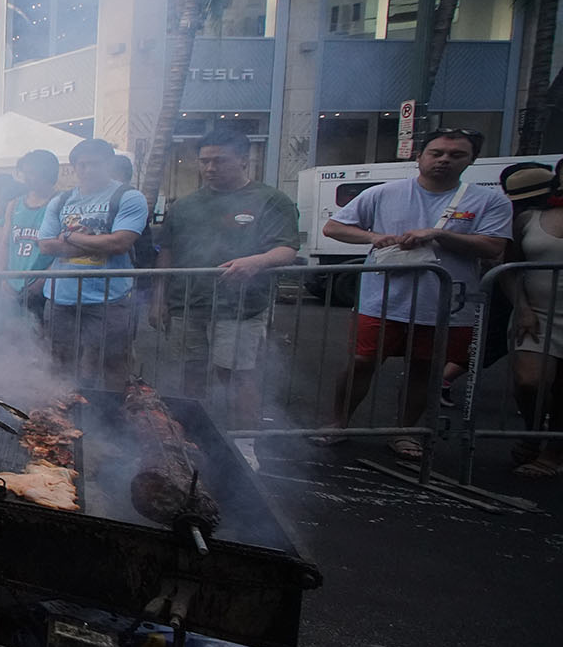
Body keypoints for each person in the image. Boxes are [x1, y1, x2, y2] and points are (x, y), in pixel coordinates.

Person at [318, 128, 512, 454]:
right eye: (436, 153)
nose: (444, 160)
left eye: (456, 155)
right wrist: (372, 237)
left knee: (425, 368)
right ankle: (337, 423)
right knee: (362, 361)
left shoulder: (489, 200)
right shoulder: (383, 193)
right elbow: (334, 227)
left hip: (445, 304)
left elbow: (493, 247)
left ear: (471, 160)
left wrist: (438, 234)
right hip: (381, 299)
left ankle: (404, 431)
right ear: (420, 156)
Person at [151, 127, 301, 427]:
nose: (210, 168)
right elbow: (166, 253)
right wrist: (158, 299)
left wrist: (256, 261)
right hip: (187, 306)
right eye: (204, 161)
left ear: (244, 160)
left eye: (219, 160)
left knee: (237, 376)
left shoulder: (271, 200)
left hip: (241, 308)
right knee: (190, 374)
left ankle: (245, 442)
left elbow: (287, 249)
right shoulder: (183, 206)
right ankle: (192, 435)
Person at [37, 138, 149, 387]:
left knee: (112, 366)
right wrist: (97, 241)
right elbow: (45, 245)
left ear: (109, 164)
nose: (88, 170)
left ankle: (112, 410)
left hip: (109, 300)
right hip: (61, 298)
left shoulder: (128, 197)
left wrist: (69, 237)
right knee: (60, 365)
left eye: (95, 164)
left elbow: (119, 243)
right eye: (82, 165)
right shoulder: (61, 201)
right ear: (75, 167)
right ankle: (67, 409)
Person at [500, 162, 563, 477]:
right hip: (537, 314)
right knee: (529, 382)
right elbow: (506, 269)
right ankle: (533, 431)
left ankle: (553, 453)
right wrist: (522, 308)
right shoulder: (529, 218)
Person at [3, 150, 60, 321]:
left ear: (47, 173)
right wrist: (3, 277)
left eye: (32, 173)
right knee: (11, 331)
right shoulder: (14, 204)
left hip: (43, 287)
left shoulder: (60, 203)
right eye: (25, 173)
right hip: (13, 284)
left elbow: (63, 251)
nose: (27, 178)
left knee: (40, 332)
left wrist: (42, 280)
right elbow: (4, 243)